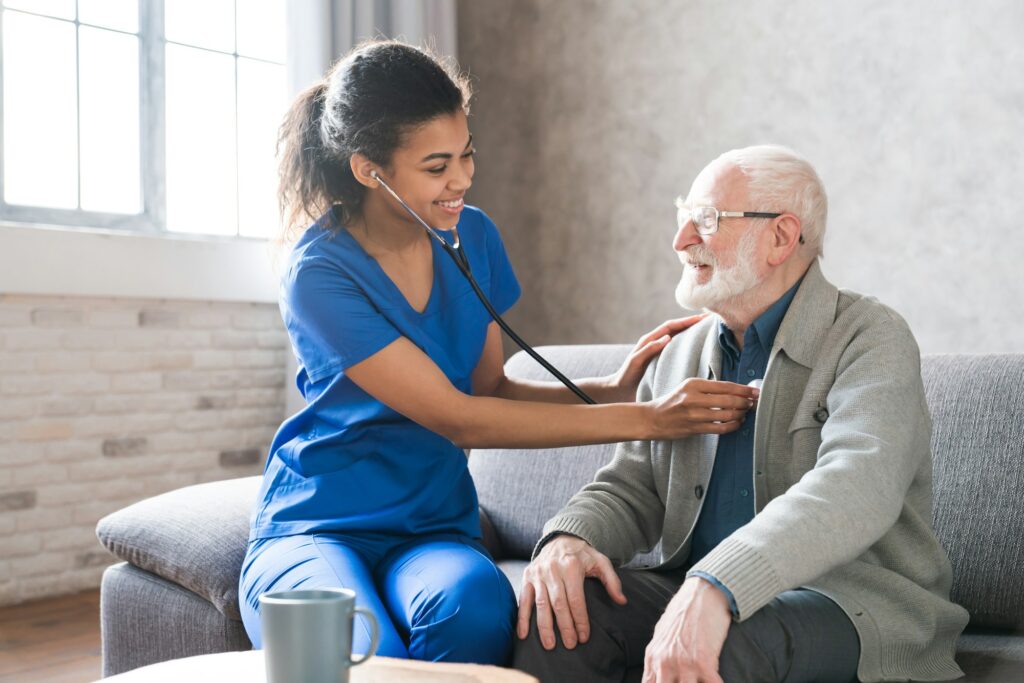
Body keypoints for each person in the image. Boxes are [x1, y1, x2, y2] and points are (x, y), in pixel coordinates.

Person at [238, 40, 761, 666]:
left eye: (466, 156)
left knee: (477, 613)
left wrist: (614, 388)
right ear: (368, 170)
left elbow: (488, 388)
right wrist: (650, 418)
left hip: (432, 527)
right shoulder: (318, 273)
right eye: (436, 167)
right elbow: (456, 416)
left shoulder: (473, 235)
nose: (460, 180)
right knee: (352, 646)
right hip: (321, 522)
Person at [513, 145, 970, 682]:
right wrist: (571, 539)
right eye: (684, 217)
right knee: (561, 619)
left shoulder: (870, 338)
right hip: (700, 588)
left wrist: (719, 583)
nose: (680, 241)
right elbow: (632, 487)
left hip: (849, 601)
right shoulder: (679, 351)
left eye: (705, 220)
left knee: (730, 644)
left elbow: (857, 488)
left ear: (780, 236)